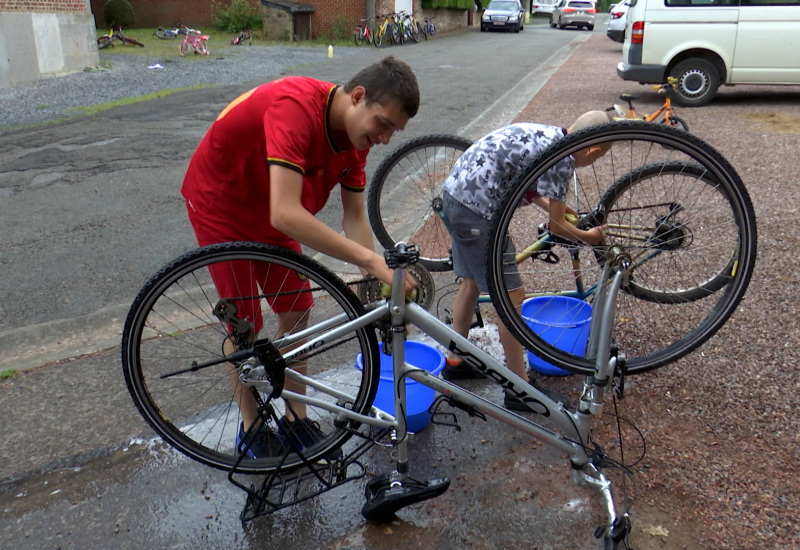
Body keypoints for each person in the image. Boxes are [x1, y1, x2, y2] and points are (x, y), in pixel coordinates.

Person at [180, 56, 420, 458]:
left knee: (298, 306)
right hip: (222, 201)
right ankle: (251, 425)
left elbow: (355, 217)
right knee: (244, 323)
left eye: (394, 131)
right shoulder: (295, 108)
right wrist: (372, 262)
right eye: (383, 124)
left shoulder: (354, 139)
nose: (385, 139)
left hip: (272, 205)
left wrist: (372, 272)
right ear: (357, 96)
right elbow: (285, 213)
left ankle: (296, 415)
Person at [439, 111, 613, 412]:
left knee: (470, 283)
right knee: (512, 298)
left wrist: (550, 204)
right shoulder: (563, 159)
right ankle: (520, 389)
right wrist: (589, 236)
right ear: (592, 150)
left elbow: (524, 179)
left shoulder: (549, 134)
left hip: (457, 195)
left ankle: (455, 359)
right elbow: (558, 229)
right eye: (595, 160)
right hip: (480, 214)